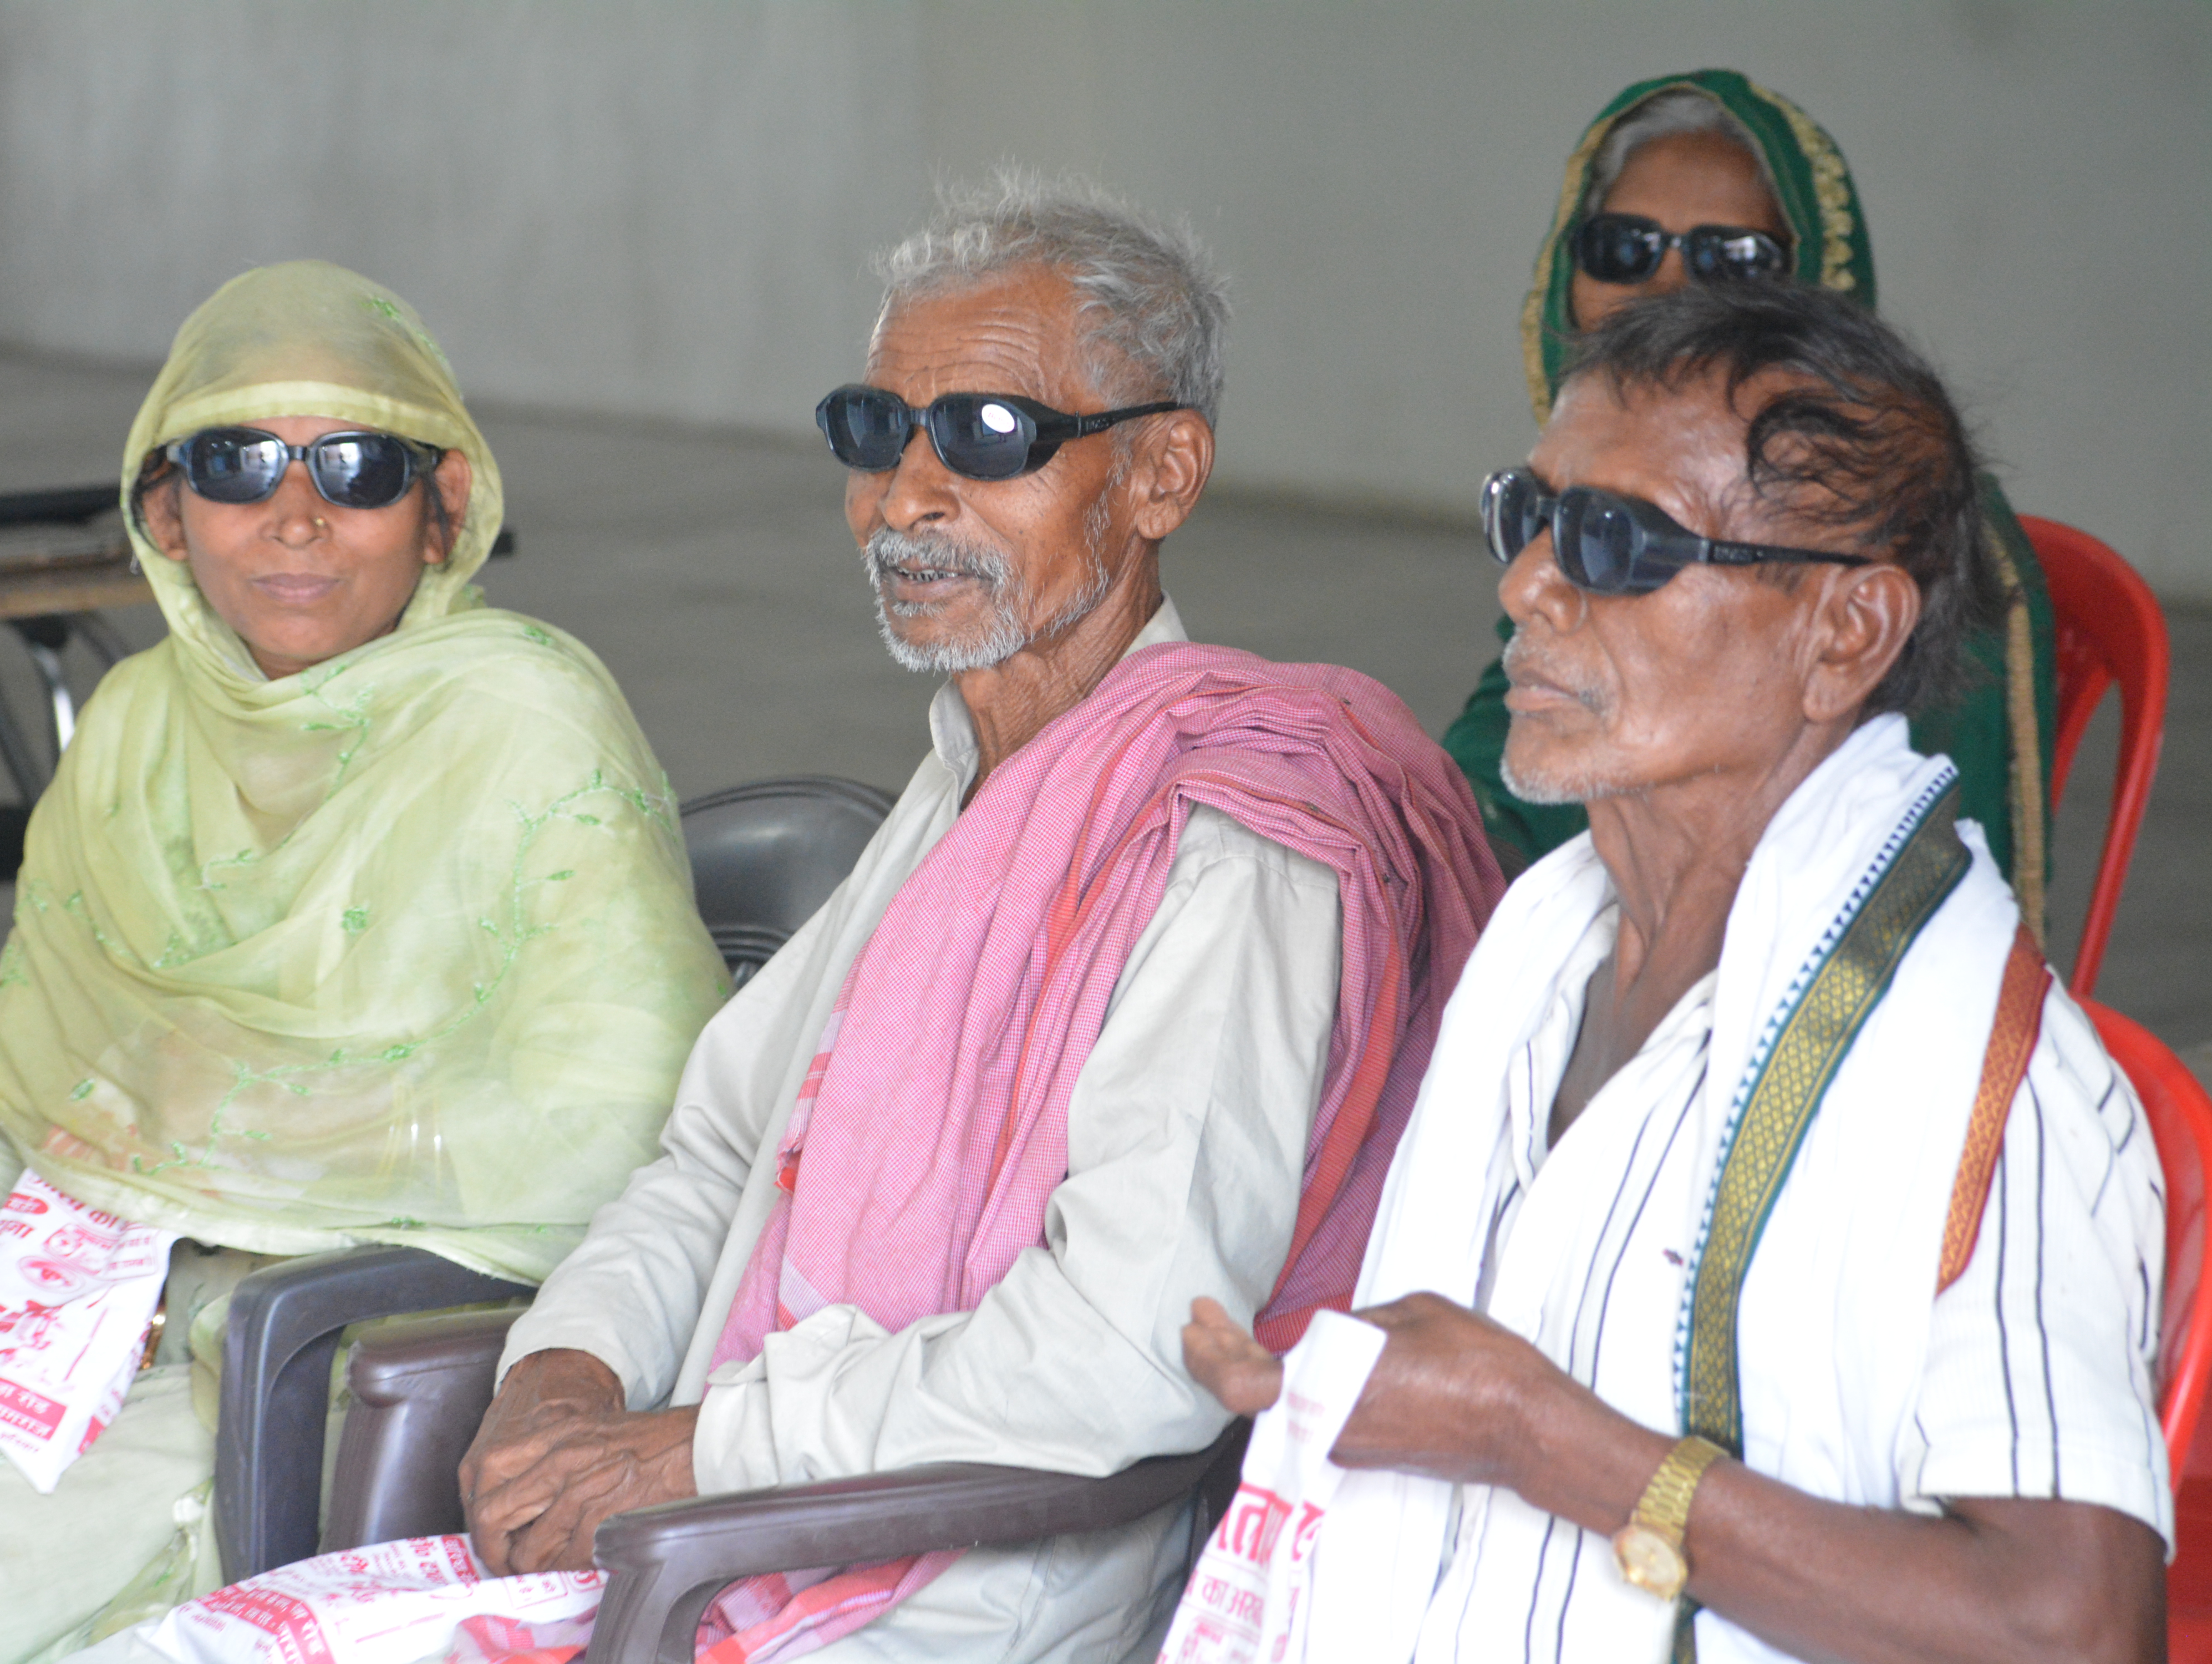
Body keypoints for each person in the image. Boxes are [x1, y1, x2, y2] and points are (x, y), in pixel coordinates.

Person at [456, 177, 1504, 1664]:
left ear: (1160, 476)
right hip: (695, 1554)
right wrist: (568, 1370)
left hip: (950, 1605)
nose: (911, 496)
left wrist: (696, 1451)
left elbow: (1130, 1353)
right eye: (879, 432)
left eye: (994, 438)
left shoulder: (1234, 846)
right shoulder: (972, 774)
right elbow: (722, 1151)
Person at [0, 261, 728, 1662]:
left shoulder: (528, 727)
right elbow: (8, 1119)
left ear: (444, 513)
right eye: (238, 462)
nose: (296, 513)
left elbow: (626, 1146)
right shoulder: (135, 736)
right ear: (164, 514)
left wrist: (247, 1142)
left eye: (358, 464)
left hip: (296, 1384)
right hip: (44, 1337)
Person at [1184, 282, 2167, 1664]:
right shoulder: (1542, 948)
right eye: (1527, 518)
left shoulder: (1985, 1084)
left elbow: (2070, 1628)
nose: (1528, 585)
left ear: (1847, 633)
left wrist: (1531, 1438)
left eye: (1617, 540)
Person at [1442, 69, 2056, 938]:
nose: (1664, 289)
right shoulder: (1574, 494)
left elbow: (1929, 870)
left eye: (1730, 259)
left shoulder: (1901, 540)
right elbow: (1504, 734)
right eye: (1624, 247)